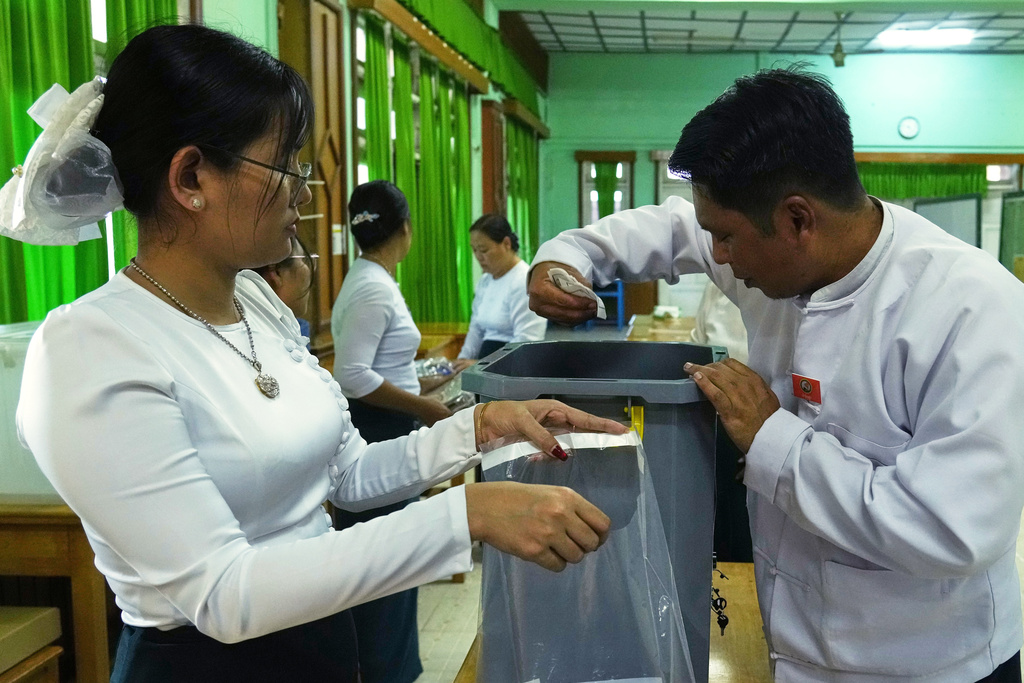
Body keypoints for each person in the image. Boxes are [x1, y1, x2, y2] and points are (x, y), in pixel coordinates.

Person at [7, 24, 627, 683]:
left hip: (324, 644)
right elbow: (223, 593)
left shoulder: (258, 302)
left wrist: (478, 429)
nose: (306, 189)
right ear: (191, 176)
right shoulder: (93, 346)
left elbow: (347, 477)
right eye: (285, 163)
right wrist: (464, 514)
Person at [527, 67, 1024, 682]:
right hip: (794, 647)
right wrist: (567, 256)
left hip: (931, 663)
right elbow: (674, 227)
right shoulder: (773, 252)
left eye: (727, 238)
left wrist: (772, 439)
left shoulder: (970, 310)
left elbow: (950, 529)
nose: (719, 256)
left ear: (796, 220)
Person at [329, 180, 447, 682]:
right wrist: (424, 406)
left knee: (398, 558)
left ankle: (391, 665)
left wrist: (423, 384)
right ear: (406, 228)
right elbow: (352, 375)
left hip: (388, 422)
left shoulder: (370, 278)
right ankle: (385, 670)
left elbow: (378, 366)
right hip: (377, 431)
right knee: (387, 560)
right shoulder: (373, 288)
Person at [456, 213, 547, 363]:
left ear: (506, 244)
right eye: (474, 250)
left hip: (512, 366)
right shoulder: (485, 281)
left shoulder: (524, 281)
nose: (478, 257)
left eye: (484, 250)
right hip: (483, 363)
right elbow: (476, 329)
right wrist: (462, 360)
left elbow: (526, 341)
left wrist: (481, 364)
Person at [253, 234, 316, 341]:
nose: (312, 270)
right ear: (276, 272)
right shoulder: (266, 345)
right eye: (304, 260)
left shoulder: (295, 330)